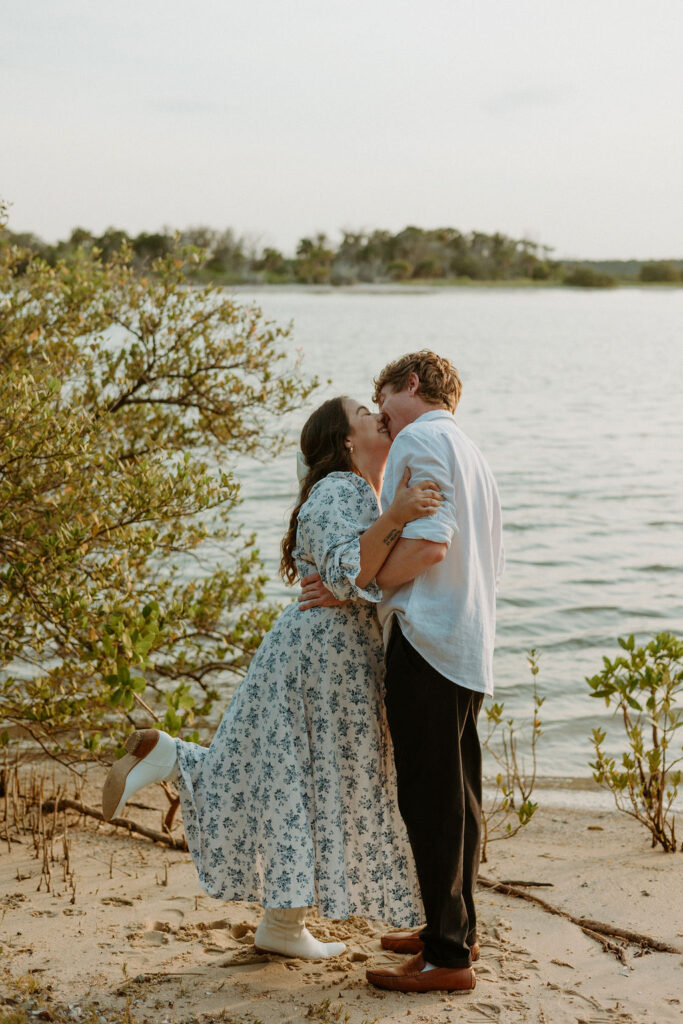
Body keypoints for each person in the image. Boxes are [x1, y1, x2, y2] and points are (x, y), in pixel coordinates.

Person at [101, 395, 443, 960]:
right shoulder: (342, 490)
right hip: (323, 662)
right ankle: (175, 763)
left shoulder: (358, 493)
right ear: (346, 443)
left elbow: (350, 575)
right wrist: (399, 516)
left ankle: (281, 925)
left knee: (298, 782)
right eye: (363, 411)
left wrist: (389, 522)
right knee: (307, 781)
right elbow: (345, 571)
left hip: (322, 658)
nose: (377, 415)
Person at [299, 351, 503, 993]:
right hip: (467, 642)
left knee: (432, 799)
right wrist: (365, 581)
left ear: (408, 385)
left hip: (429, 640)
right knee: (459, 797)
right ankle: (452, 931)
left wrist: (361, 584)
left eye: (380, 395)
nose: (379, 410)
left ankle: (447, 956)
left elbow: (429, 543)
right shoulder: (468, 449)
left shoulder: (419, 434)